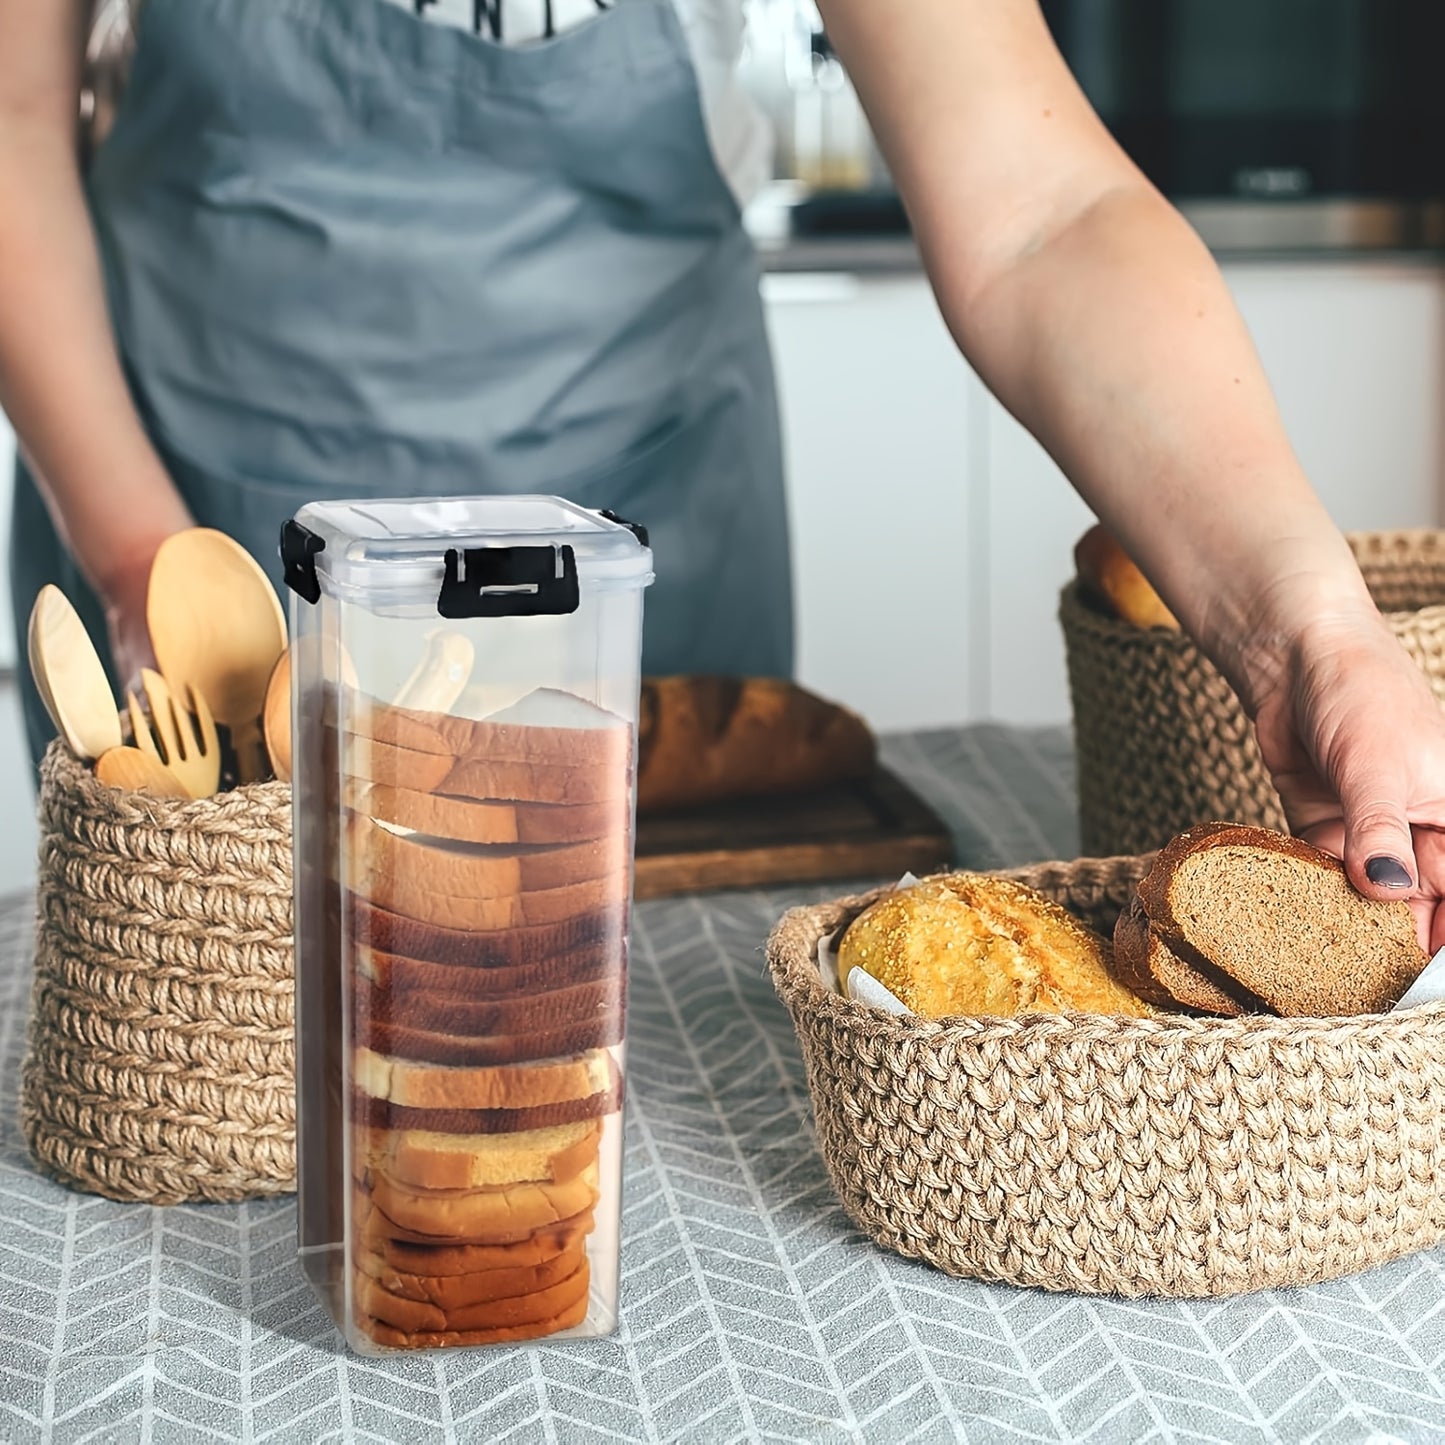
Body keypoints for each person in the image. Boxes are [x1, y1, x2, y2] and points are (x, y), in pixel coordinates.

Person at [3, 0, 1445, 948]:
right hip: (206, 533)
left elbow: (1040, 210)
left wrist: (1305, 633)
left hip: (634, 549)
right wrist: (141, 562)